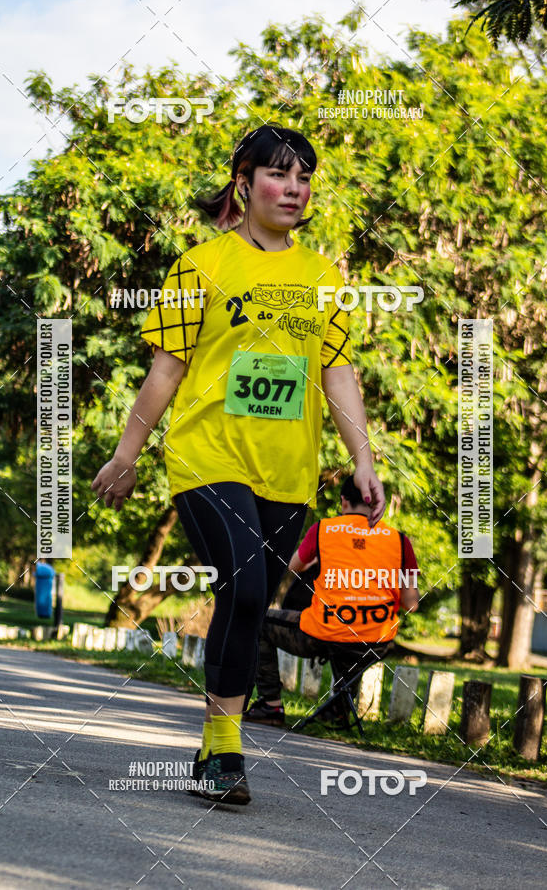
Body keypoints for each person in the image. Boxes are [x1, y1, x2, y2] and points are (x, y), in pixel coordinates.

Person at [91, 124, 385, 806]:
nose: (294, 189)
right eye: (279, 175)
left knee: (244, 602)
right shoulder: (202, 266)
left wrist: (361, 461)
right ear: (244, 184)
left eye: (304, 177)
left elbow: (337, 374)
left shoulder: (320, 276)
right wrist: (127, 454)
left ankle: (212, 745)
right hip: (207, 455)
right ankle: (225, 752)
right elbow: (167, 370)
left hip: (287, 469)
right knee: (248, 590)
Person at [244, 474, 419, 726]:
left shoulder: (323, 530)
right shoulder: (400, 541)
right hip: (376, 641)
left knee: (259, 623)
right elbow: (411, 604)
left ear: (343, 501)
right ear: (375, 503)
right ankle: (338, 710)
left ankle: (270, 705)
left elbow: (292, 566)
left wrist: (320, 561)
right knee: (355, 641)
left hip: (323, 633)